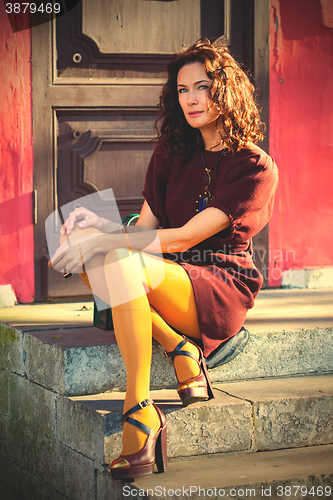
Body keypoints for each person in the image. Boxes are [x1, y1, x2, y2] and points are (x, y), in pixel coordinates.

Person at [49, 38, 278, 480]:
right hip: (163, 271)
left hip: (216, 286)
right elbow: (145, 232)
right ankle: (177, 346)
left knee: (111, 258)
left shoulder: (255, 166)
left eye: (203, 87)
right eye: (182, 90)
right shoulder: (174, 151)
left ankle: (139, 409)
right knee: (92, 252)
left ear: (227, 90)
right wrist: (96, 233)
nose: (191, 98)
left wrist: (105, 244)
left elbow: (186, 237)